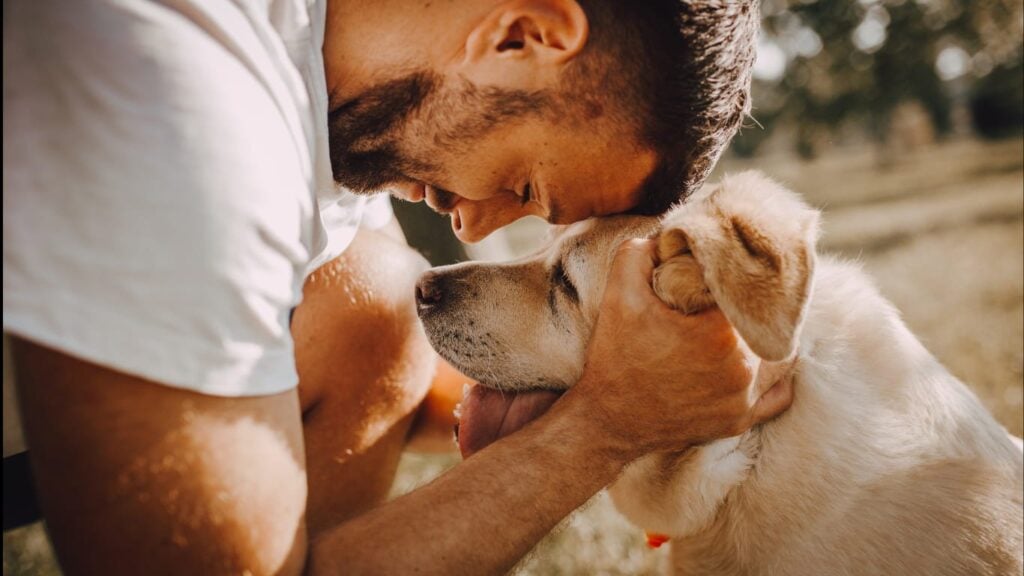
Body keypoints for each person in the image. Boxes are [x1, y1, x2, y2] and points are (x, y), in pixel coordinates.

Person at [3, 0, 788, 574]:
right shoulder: (182, 95)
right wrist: (605, 427)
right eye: (522, 183)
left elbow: (387, 358)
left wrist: (655, 384)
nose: (475, 228)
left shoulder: (328, 80)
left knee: (373, 302)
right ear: (522, 35)